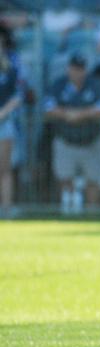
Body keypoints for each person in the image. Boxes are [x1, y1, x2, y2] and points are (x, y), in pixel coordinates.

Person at [45, 54, 100, 214]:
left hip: (91, 141)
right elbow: (49, 109)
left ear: (85, 70)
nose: (77, 72)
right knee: (65, 178)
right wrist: (68, 114)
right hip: (66, 140)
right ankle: (68, 213)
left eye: (81, 69)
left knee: (93, 180)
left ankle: (92, 214)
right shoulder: (59, 85)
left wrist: (77, 115)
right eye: (74, 69)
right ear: (69, 69)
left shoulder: (95, 84)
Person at [0, 30, 21, 218]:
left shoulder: (10, 70)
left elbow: (17, 97)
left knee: (4, 167)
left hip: (4, 123)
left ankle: (6, 207)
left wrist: (2, 113)